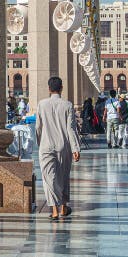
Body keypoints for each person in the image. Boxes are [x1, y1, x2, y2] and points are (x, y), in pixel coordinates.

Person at [35, 76, 80, 220]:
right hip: (63, 145)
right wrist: (75, 148)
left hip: (46, 146)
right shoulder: (67, 105)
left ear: (49, 89)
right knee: (63, 177)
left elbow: (38, 128)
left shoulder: (41, 104)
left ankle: (54, 210)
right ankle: (64, 207)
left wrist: (39, 143)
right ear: (61, 88)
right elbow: (71, 129)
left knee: (49, 179)